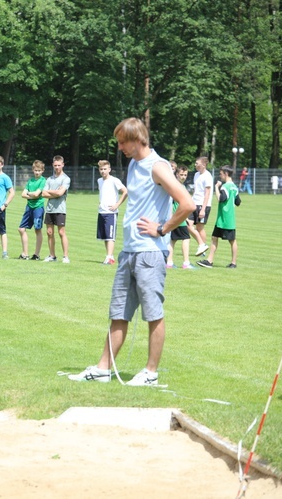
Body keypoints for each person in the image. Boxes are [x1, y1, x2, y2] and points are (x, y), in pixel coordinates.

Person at [69, 117, 194, 386]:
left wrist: (162, 228)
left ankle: (150, 372)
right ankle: (103, 369)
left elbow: (187, 204)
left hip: (150, 252)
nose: (120, 147)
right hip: (129, 251)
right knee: (118, 313)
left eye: (123, 142)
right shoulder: (133, 163)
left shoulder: (158, 167)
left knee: (153, 313)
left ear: (138, 140)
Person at [197, 166, 241, 269]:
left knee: (226, 240)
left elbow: (221, 199)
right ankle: (229, 263)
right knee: (219, 238)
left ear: (226, 173)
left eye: (221, 174)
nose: (220, 176)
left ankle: (211, 261)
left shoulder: (225, 187)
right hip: (230, 219)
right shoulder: (234, 187)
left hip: (223, 219)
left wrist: (216, 187)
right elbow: (238, 202)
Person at [96, 160, 128, 265]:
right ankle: (110, 256)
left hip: (111, 213)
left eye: (105, 169)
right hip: (102, 211)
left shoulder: (114, 180)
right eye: (101, 169)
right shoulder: (99, 181)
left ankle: (109, 257)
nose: (103, 171)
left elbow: (125, 191)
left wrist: (117, 204)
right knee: (105, 236)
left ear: (109, 169)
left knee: (110, 236)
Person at [42, 155, 71, 263]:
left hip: (60, 209)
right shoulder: (49, 179)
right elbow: (43, 193)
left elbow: (60, 193)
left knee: (61, 232)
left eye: (59, 165)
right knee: (49, 232)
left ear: (63, 165)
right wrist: (56, 193)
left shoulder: (66, 179)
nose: (57, 167)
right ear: (53, 165)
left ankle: (65, 256)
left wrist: (51, 192)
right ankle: (52, 256)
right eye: (55, 165)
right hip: (49, 209)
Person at [166, 165, 195, 270]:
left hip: (177, 218)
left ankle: (169, 263)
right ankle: (186, 263)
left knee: (172, 240)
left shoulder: (177, 185)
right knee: (186, 238)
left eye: (185, 175)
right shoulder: (177, 186)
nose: (183, 177)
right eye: (181, 174)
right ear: (176, 174)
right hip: (178, 218)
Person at [18, 160, 46, 260]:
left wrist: (29, 194)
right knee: (21, 229)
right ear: (33, 170)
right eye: (35, 170)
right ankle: (25, 254)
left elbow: (36, 194)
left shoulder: (43, 181)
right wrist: (31, 194)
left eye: (39, 170)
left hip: (38, 208)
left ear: (42, 171)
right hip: (29, 207)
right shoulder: (30, 181)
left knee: (37, 229)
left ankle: (36, 254)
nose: (37, 172)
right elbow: (22, 194)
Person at [188, 156, 213, 256]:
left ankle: (203, 249)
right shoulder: (196, 175)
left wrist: (203, 209)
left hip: (203, 205)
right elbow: (195, 190)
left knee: (199, 228)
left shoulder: (208, 176)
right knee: (187, 224)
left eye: (197, 163)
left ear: (204, 164)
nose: (195, 165)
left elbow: (207, 194)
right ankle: (201, 244)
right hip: (194, 203)